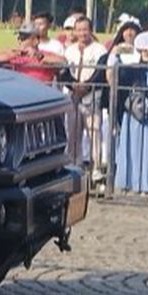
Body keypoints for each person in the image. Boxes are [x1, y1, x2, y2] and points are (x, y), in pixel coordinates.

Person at [112, 31, 148, 194]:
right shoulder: (130, 64)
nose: (143, 52)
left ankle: (147, 185)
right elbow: (118, 75)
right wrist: (116, 54)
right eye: (141, 49)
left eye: (147, 49)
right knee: (132, 149)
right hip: (132, 113)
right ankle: (130, 183)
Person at [63, 16, 108, 176]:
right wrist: (74, 85)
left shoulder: (100, 49)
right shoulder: (69, 50)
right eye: (79, 30)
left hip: (91, 96)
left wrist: (86, 86)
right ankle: (74, 164)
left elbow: (101, 72)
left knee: (94, 132)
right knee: (73, 133)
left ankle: (96, 168)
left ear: (90, 30)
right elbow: (64, 72)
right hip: (73, 96)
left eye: (85, 29)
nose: (82, 33)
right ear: (75, 31)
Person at [0, 23, 64, 83]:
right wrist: (14, 54)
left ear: (36, 40)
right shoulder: (15, 53)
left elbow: (63, 61)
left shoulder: (45, 54)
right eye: (19, 37)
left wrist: (38, 55)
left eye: (23, 38)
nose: (19, 41)